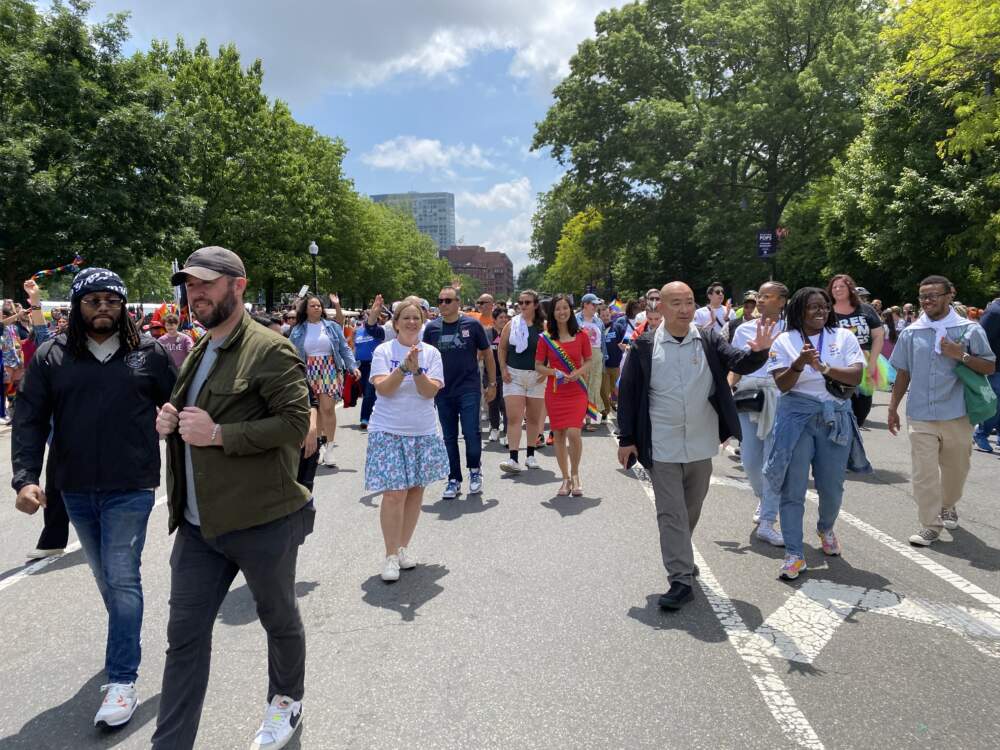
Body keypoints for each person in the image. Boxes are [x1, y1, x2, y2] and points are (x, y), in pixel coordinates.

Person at [152, 246, 314, 750]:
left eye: (206, 283)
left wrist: (221, 434)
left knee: (278, 618)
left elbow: (295, 425)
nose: (194, 292)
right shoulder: (199, 350)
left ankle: (286, 701)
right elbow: (193, 423)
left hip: (262, 519)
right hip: (200, 529)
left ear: (237, 286)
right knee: (184, 641)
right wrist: (171, 423)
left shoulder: (270, 349)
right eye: (189, 284)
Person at [13, 267, 176, 729]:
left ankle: (122, 679)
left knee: (122, 578)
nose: (102, 308)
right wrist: (25, 477)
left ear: (122, 306)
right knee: (108, 579)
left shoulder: (151, 354)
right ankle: (123, 638)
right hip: (75, 487)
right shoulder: (51, 357)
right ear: (78, 307)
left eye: (111, 300)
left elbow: (181, 408)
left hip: (132, 486)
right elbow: (28, 419)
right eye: (92, 300)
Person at [617, 282, 775, 609]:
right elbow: (629, 396)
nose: (684, 309)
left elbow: (739, 361)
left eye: (689, 302)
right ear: (661, 307)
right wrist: (627, 439)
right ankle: (679, 578)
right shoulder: (644, 346)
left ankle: (682, 554)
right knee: (671, 512)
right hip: (661, 443)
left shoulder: (708, 338)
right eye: (676, 303)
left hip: (702, 441)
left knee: (692, 507)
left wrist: (759, 351)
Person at [765, 287, 870, 581]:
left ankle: (825, 528)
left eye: (824, 307)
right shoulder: (784, 341)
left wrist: (823, 367)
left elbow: (856, 376)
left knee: (832, 487)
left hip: (834, 417)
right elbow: (783, 386)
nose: (821, 312)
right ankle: (794, 554)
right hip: (796, 419)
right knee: (793, 488)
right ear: (799, 310)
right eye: (813, 307)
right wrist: (798, 364)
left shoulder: (843, 336)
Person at [888, 276, 995, 546]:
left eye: (934, 295)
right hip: (920, 413)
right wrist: (893, 407)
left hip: (957, 413)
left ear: (950, 295)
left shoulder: (969, 330)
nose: (928, 300)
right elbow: (903, 371)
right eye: (924, 296)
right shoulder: (911, 332)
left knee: (956, 471)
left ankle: (949, 503)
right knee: (923, 472)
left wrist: (962, 355)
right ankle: (929, 525)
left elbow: (990, 367)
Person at [366, 297, 449, 582]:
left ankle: (402, 548)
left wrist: (417, 371)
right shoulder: (383, 350)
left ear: (422, 322)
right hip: (388, 430)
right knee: (394, 493)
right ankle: (390, 556)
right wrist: (402, 368)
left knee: (415, 490)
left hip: (422, 430)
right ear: (396, 323)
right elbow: (384, 390)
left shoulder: (432, 354)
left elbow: (429, 393)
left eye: (417, 318)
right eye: (406, 318)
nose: (412, 322)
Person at [729, 282, 789, 546]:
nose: (761, 300)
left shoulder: (792, 330)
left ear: (782, 301)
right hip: (749, 398)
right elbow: (737, 367)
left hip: (781, 398)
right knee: (751, 460)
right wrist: (725, 391)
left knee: (773, 460)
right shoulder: (742, 330)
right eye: (759, 296)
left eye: (767, 296)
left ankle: (768, 520)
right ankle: (763, 498)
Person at [423, 286, 496, 499]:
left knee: (471, 432)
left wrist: (492, 384)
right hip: (443, 390)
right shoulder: (432, 329)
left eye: (448, 300)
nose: (443, 304)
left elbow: (487, 355)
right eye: (440, 300)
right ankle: (453, 478)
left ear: (458, 302)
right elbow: (424, 359)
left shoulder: (472, 325)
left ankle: (475, 470)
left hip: (469, 388)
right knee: (448, 436)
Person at [288, 293, 359, 469]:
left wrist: (352, 366)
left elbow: (344, 348)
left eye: (319, 305)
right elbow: (289, 352)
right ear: (306, 309)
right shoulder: (297, 330)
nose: (317, 308)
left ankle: (330, 447)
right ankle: (318, 445)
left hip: (329, 368)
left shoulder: (332, 327)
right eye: (312, 306)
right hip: (307, 369)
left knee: (327, 408)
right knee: (315, 409)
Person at [536, 294, 595, 496]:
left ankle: (576, 474)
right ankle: (565, 478)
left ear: (571, 310)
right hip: (555, 392)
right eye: (557, 309)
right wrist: (554, 372)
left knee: (573, 432)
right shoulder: (546, 338)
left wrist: (576, 373)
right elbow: (538, 366)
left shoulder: (582, 335)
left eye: (565, 308)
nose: (562, 312)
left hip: (576, 390)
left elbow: (589, 360)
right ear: (552, 313)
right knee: (559, 435)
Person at [498, 289, 547, 473]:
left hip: (537, 376)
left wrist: (546, 370)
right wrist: (503, 368)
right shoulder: (512, 324)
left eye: (527, 302)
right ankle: (513, 459)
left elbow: (553, 349)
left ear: (535, 304)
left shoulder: (544, 326)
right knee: (514, 418)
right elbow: (502, 349)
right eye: (521, 302)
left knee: (533, 419)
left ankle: (531, 455)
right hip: (514, 375)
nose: (523, 306)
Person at [828, 274, 884, 427]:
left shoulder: (865, 309)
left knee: (863, 403)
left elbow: (879, 335)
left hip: (865, 359)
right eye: (834, 286)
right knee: (839, 401)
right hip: (837, 361)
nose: (838, 289)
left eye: (842, 286)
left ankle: (856, 428)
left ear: (850, 289)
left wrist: (872, 363)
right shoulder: (826, 311)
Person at [354, 295, 387, 430]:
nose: (366, 318)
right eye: (365, 316)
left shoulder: (379, 331)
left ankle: (365, 418)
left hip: (374, 364)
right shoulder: (358, 331)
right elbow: (355, 346)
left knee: (369, 392)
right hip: (361, 365)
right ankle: (373, 415)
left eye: (370, 315)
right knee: (366, 393)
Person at [576, 293, 607, 430]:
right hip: (580, 355)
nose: (595, 307)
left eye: (596, 304)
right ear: (585, 304)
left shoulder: (598, 321)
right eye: (593, 304)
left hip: (596, 355)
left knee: (594, 387)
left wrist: (603, 357)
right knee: (581, 386)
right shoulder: (575, 320)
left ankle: (588, 420)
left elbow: (602, 343)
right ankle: (578, 418)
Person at [973, 294, 1000, 451]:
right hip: (994, 368)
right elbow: (981, 340)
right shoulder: (995, 312)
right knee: (994, 403)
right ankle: (981, 433)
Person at [486, 306, 509, 444]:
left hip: (507, 374)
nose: (504, 320)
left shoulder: (511, 333)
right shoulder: (487, 333)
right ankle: (494, 428)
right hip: (490, 375)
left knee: (506, 404)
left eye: (505, 317)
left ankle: (507, 433)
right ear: (494, 320)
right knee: (492, 402)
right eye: (500, 317)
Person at [600, 303, 624, 415]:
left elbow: (625, 340)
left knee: (616, 389)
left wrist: (624, 346)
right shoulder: (598, 328)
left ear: (610, 315)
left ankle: (614, 403)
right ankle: (606, 409)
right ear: (599, 316)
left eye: (607, 315)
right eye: (603, 315)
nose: (605, 317)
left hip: (615, 365)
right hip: (603, 365)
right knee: (604, 391)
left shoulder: (618, 327)